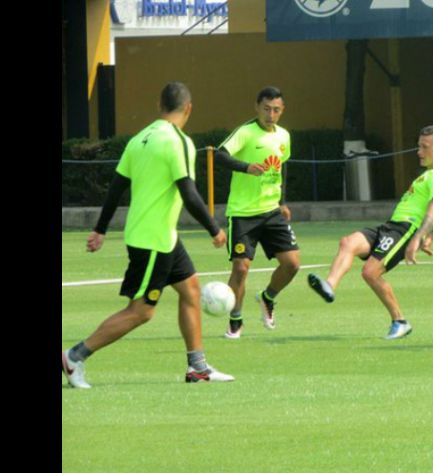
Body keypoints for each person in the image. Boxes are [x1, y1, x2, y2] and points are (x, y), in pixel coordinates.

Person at [61, 82, 235, 388]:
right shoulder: (178, 141)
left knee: (191, 290)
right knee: (141, 312)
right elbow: (189, 193)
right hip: (154, 240)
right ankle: (75, 356)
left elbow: (116, 186)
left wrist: (100, 229)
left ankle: (198, 367)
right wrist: (214, 228)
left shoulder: (140, 138)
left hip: (160, 236)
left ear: (160, 105)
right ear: (189, 108)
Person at [307, 125, 433, 339]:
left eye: (424, 147)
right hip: (390, 226)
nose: (419, 152)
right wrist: (431, 237)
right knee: (348, 242)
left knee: (370, 272)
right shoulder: (431, 175)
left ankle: (400, 321)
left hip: (405, 230)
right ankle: (329, 286)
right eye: (419, 146)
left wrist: (418, 238)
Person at [214, 86, 300, 339]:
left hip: (272, 211)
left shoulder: (283, 136)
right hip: (243, 213)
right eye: (266, 109)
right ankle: (235, 319)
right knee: (241, 268)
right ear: (257, 107)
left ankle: (267, 297)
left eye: (276, 110)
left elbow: (281, 167)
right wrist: (245, 167)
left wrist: (283, 201)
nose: (270, 114)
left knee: (292, 264)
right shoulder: (245, 132)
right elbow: (220, 155)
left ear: (282, 110)